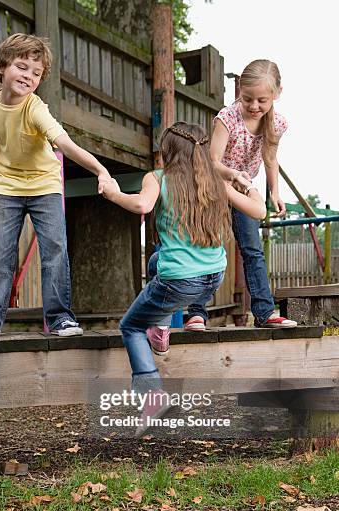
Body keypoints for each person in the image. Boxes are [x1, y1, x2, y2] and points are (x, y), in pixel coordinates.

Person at [101, 122, 266, 436]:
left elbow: (141, 204)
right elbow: (259, 211)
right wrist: (246, 184)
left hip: (180, 282)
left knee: (131, 326)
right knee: (156, 259)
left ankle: (152, 398)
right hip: (212, 278)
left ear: (167, 151)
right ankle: (162, 326)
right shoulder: (215, 182)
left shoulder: (158, 178)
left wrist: (112, 192)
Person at [0, 33, 110, 340]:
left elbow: (65, 145)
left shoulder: (35, 108)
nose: (28, 76)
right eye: (21, 67)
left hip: (44, 184)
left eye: (36, 73)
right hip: (5, 185)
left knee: (54, 250)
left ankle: (60, 319)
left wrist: (101, 170)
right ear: (3, 66)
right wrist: (6, 174)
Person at [184, 59, 297, 332]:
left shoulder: (277, 123)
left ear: (277, 93)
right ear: (240, 94)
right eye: (248, 99)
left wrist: (275, 192)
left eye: (262, 100)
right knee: (207, 245)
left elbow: (270, 158)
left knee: (252, 250)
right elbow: (212, 161)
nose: (254, 106)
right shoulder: (228, 118)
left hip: (242, 191)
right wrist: (233, 176)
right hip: (214, 187)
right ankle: (196, 313)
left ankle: (264, 311)